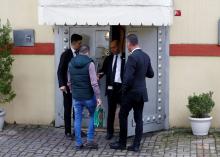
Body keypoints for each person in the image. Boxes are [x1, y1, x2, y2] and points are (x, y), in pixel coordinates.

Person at [110, 34, 154, 152]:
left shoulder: (132, 57)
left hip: (130, 93)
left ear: (129, 43)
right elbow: (151, 74)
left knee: (122, 115)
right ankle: (136, 145)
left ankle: (122, 143)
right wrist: (141, 73)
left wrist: (122, 91)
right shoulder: (146, 56)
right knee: (138, 118)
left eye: (126, 44)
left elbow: (128, 77)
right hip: (141, 93)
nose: (126, 46)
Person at [68, 45, 102, 150]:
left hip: (76, 97)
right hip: (89, 96)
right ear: (88, 52)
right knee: (92, 115)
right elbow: (94, 83)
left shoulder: (71, 63)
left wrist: (72, 92)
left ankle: (78, 143)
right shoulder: (90, 63)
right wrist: (98, 97)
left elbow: (69, 82)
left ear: (79, 52)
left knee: (77, 119)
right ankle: (90, 140)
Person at [57, 34, 86, 138]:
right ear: (74, 43)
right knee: (68, 109)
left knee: (77, 110)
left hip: (78, 87)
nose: (80, 44)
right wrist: (61, 85)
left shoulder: (80, 54)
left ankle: (77, 130)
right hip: (67, 88)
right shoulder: (65, 54)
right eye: (79, 43)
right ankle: (68, 131)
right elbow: (60, 71)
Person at [98, 40, 125, 140]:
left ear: (119, 46)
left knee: (123, 112)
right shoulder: (108, 59)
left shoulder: (125, 57)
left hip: (122, 88)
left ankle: (123, 132)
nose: (112, 49)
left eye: (114, 47)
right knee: (111, 111)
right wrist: (98, 75)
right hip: (111, 88)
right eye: (111, 48)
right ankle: (110, 132)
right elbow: (103, 71)